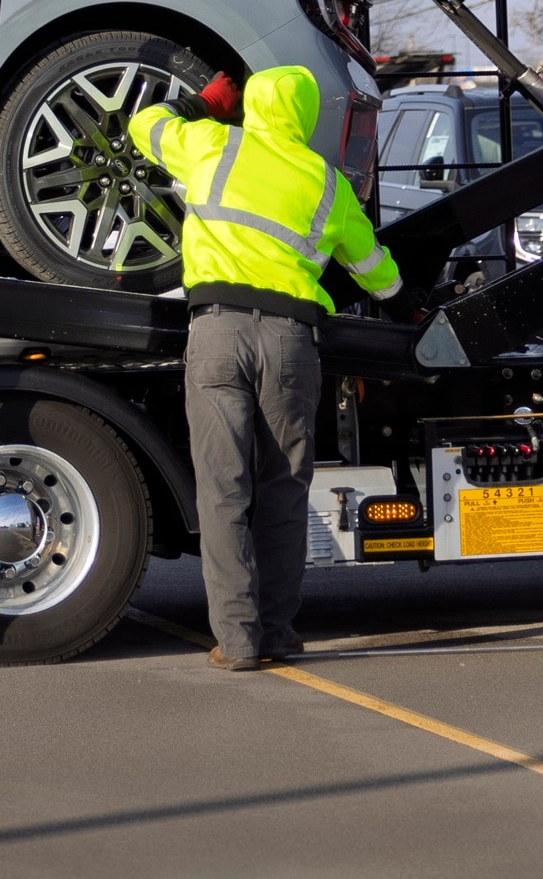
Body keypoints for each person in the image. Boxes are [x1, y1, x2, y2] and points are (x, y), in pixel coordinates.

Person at [126, 64, 404, 669]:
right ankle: (276, 631)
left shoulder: (213, 144)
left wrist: (200, 106)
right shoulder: (324, 182)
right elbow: (382, 278)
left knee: (224, 489)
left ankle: (239, 640)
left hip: (217, 331)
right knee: (283, 490)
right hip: (290, 341)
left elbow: (143, 124)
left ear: (249, 103)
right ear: (304, 115)